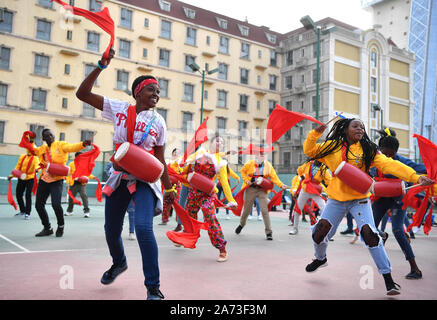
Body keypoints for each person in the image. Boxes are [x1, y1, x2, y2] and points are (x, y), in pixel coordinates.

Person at [76, 48, 176, 300]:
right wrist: (101, 65)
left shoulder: (159, 122)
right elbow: (82, 94)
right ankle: (118, 262)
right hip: (119, 177)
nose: (157, 95)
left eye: (159, 92)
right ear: (138, 92)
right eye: (152, 90)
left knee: (143, 228)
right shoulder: (118, 108)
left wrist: (170, 189)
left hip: (144, 180)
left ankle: (153, 287)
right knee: (111, 229)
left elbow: (161, 159)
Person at [302, 117, 434, 295]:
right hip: (336, 199)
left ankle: (389, 280)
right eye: (355, 126)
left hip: (360, 199)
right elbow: (310, 150)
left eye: (362, 127)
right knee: (319, 233)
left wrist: (415, 177)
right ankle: (320, 258)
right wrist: (315, 133)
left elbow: (390, 164)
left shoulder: (369, 149)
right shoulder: (331, 146)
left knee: (370, 234)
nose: (360, 129)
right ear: (345, 129)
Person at [371, 128, 427, 279]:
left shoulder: (401, 161)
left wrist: (431, 172)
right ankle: (382, 234)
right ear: (380, 151)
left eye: (391, 154)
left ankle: (415, 269)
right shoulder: (374, 159)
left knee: (397, 230)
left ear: (395, 152)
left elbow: (419, 168)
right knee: (369, 228)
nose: (388, 157)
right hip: (381, 197)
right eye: (385, 154)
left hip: (398, 198)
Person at [180, 135, 237, 262]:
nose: (219, 144)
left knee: (210, 218)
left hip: (207, 195)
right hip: (193, 193)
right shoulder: (200, 153)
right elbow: (186, 164)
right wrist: (182, 164)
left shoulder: (221, 163)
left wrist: (231, 200)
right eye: (217, 141)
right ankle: (187, 237)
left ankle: (222, 249)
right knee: (189, 217)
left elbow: (225, 183)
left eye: (222, 143)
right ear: (210, 143)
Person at [33, 128, 90, 237]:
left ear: (53, 136)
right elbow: (33, 151)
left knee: (56, 204)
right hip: (44, 179)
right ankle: (47, 228)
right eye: (47, 136)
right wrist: (28, 141)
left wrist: (82, 144)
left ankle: (61, 226)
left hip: (57, 180)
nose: (49, 137)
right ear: (44, 138)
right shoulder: (43, 148)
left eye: (51, 135)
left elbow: (71, 147)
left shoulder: (60, 145)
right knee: (39, 205)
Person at [236, 151, 288, 240]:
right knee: (246, 210)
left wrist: (281, 185)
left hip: (262, 190)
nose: (262, 155)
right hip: (251, 189)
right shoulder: (250, 163)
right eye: (260, 154)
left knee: (265, 210)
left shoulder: (268, 165)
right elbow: (243, 172)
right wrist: (247, 180)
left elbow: (274, 177)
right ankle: (241, 224)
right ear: (256, 155)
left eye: (263, 154)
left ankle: (269, 232)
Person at [289, 160, 331, 235]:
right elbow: (299, 170)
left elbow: (329, 181)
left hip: (315, 190)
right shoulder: (308, 164)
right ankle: (295, 229)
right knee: (297, 209)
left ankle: (326, 232)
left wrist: (330, 191)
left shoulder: (323, 168)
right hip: (305, 190)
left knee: (324, 208)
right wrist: (303, 178)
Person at [9, 134, 40, 220]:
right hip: (21, 177)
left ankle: (27, 213)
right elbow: (17, 167)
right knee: (18, 194)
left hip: (30, 178)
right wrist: (12, 176)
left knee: (27, 195)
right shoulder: (22, 157)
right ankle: (22, 210)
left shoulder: (35, 158)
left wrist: (37, 170)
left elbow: (37, 166)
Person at [65, 152, 97, 218]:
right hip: (73, 184)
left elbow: (87, 173)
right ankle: (69, 211)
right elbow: (68, 174)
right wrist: (68, 183)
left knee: (84, 196)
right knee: (71, 198)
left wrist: (92, 177)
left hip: (82, 184)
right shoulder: (71, 164)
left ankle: (86, 212)